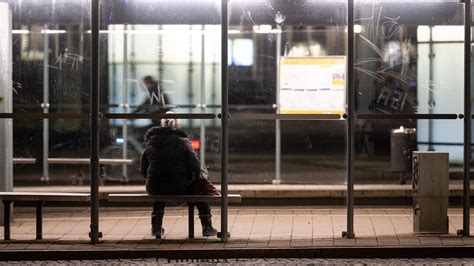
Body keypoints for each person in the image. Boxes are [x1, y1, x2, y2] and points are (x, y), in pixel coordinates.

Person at [140, 114, 218, 238]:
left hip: (155, 188)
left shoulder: (151, 142)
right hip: (179, 187)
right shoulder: (183, 142)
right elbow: (195, 167)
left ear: (162, 125)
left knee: (159, 185)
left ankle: (156, 227)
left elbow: (143, 170)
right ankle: (207, 227)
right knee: (199, 188)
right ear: (178, 125)